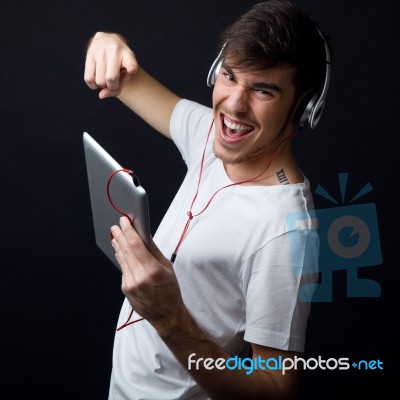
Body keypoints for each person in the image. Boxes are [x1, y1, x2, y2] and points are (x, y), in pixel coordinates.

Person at [84, 1, 331, 399]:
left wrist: (169, 318)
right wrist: (107, 41)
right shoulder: (210, 135)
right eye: (230, 77)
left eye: (263, 90)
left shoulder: (287, 231)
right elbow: (122, 78)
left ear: (303, 110)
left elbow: (275, 390)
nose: (233, 105)